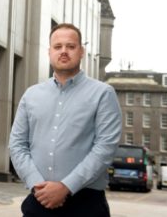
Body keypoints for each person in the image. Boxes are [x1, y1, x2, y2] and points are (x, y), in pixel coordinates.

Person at [9, 23, 122, 217]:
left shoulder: (103, 94)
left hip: (86, 205)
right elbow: (17, 145)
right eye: (57, 46)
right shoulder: (31, 95)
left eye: (70, 46)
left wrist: (66, 187)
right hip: (38, 201)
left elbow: (105, 148)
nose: (63, 51)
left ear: (81, 52)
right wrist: (37, 184)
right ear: (49, 52)